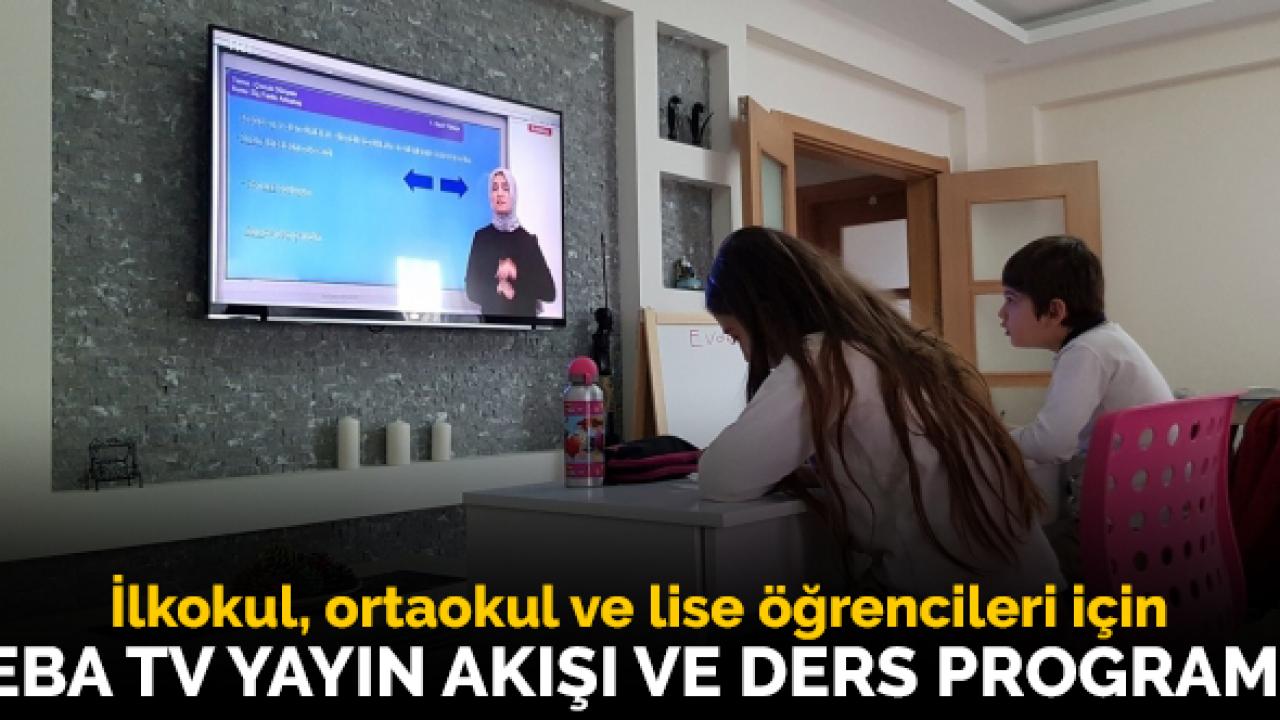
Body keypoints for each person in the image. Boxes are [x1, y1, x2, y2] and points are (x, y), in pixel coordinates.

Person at [697, 226, 1063, 596]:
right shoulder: (902, 350)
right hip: (1038, 587)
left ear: (764, 315)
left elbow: (724, 476)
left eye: (735, 335)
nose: (745, 356)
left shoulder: (825, 359)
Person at [464, 168, 555, 317]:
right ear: (490, 196)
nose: (499, 193)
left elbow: (549, 292)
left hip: (524, 328)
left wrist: (516, 273)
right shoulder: (481, 238)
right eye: (494, 188)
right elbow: (471, 290)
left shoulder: (528, 241)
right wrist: (497, 287)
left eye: (505, 188)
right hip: (490, 327)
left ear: (513, 194)